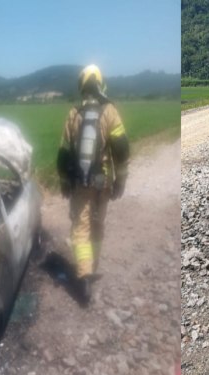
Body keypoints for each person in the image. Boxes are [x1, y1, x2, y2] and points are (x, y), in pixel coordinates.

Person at [57, 64, 130, 303]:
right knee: (98, 222)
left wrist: (64, 181)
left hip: (81, 183)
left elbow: (64, 154)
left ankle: (85, 274)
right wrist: (121, 179)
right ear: (100, 83)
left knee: (81, 228)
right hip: (105, 181)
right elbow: (121, 149)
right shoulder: (110, 111)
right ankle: (93, 264)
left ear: (81, 86)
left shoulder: (74, 114)